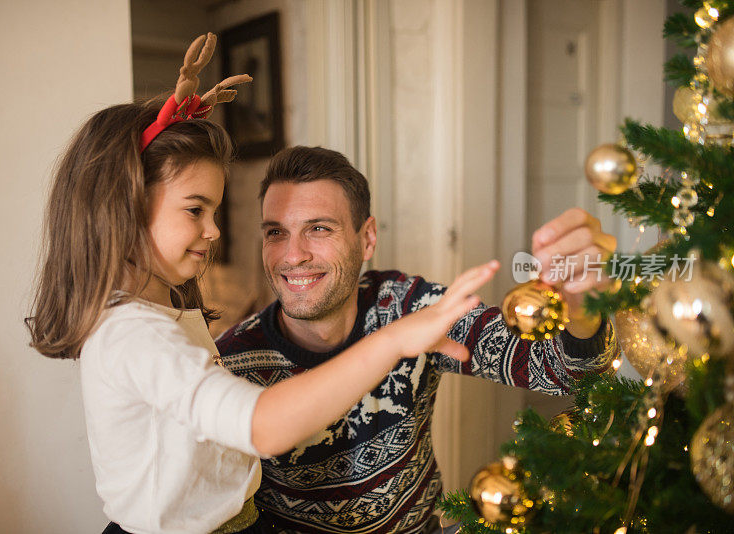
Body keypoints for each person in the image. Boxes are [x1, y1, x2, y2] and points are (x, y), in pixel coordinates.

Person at [25, 34, 499, 534]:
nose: (214, 231)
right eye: (195, 210)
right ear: (122, 208)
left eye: (214, 210)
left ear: (367, 237)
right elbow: (263, 427)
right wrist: (393, 342)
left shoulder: (161, 312)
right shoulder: (132, 334)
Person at [216, 146, 619, 534]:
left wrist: (583, 312)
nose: (292, 255)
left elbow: (568, 375)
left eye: (319, 228)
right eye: (275, 232)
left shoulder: (409, 305)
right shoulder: (230, 362)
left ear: (367, 238)